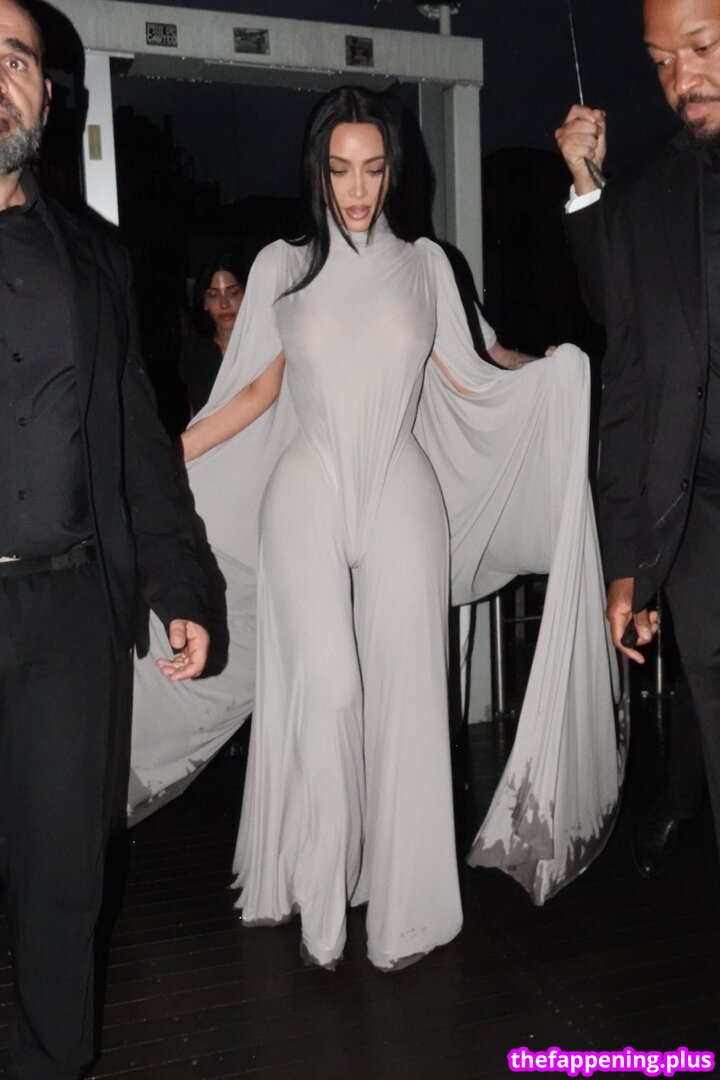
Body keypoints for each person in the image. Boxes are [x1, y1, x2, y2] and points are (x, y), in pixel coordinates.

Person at [132, 84, 621, 971]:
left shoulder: (428, 265)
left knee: (409, 700)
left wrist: (547, 371)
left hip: (402, 486)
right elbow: (256, 391)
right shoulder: (283, 265)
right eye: (340, 170)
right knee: (331, 691)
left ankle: (405, 913)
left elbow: (473, 364)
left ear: (395, 171)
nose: (356, 189)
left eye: (372, 169)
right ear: (317, 172)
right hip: (308, 487)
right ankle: (322, 903)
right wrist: (163, 456)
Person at [0, 2, 211, 1076]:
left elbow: (137, 437)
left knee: (61, 884)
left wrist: (183, 583)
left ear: (46, 93)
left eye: (14, 59)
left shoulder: (95, 257)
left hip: (69, 613)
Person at [555, 0, 720, 880]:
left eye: (702, 47)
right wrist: (628, 561)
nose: (682, 80)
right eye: (661, 61)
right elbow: (629, 378)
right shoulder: (650, 197)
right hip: (701, 528)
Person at [179, 251, 247, 415]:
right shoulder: (195, 350)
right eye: (213, 295)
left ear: (247, 294)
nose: (224, 304)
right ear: (204, 302)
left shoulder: (263, 346)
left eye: (233, 293)